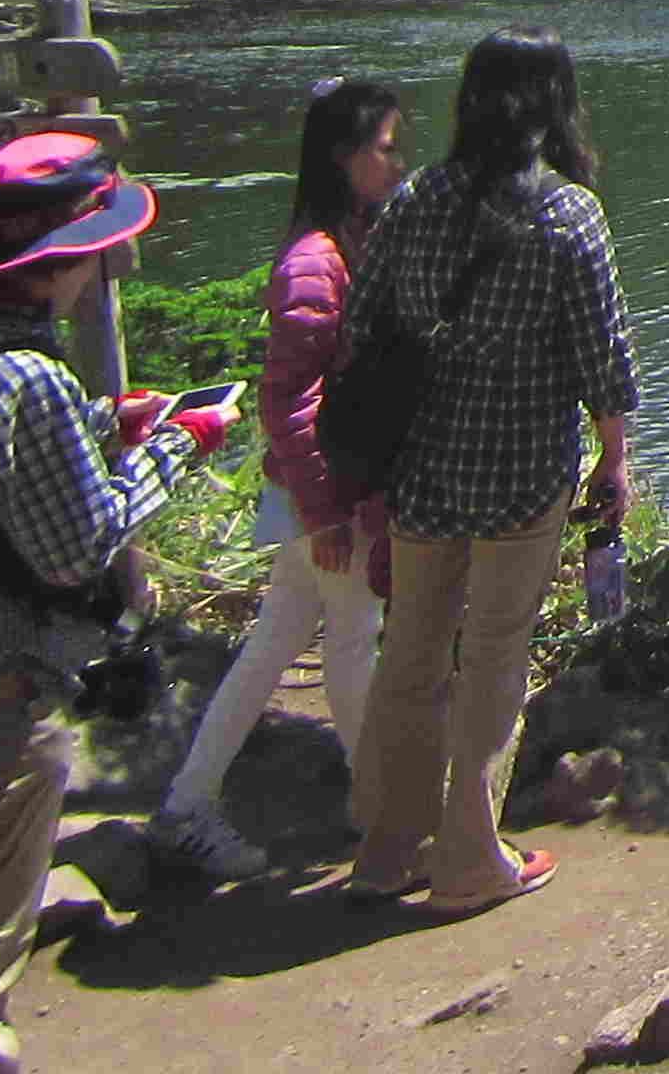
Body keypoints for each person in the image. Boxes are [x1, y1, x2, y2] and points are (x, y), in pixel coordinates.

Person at [0, 131, 236, 1074]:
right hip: (1, 691)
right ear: (66, 255)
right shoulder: (30, 376)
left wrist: (102, 426)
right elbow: (78, 548)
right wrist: (182, 441)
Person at [341, 29, 637, 913]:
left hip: (424, 467)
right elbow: (605, 358)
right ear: (557, 104)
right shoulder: (570, 213)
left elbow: (360, 322)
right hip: (521, 468)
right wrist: (614, 459)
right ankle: (471, 857)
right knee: (495, 659)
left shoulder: (417, 198)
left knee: (412, 655)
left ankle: (387, 851)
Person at [149, 76, 412, 884]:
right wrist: (326, 509)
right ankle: (379, 810)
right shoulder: (314, 261)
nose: (400, 162)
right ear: (344, 157)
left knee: (275, 646)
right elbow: (288, 399)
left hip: (313, 491)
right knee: (352, 638)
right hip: (320, 494)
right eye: (387, 147)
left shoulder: (342, 241)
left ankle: (187, 807)